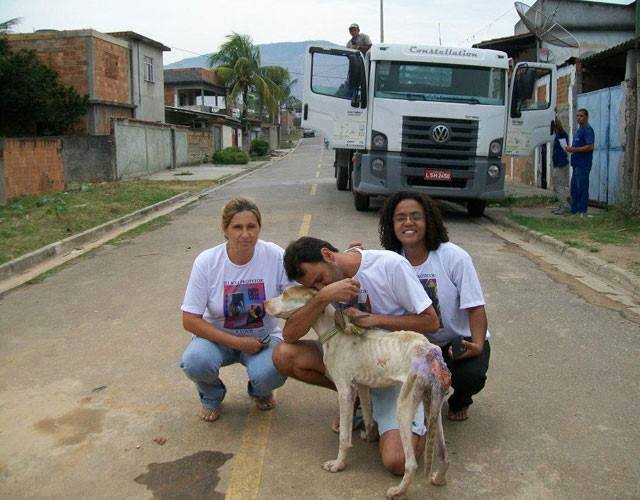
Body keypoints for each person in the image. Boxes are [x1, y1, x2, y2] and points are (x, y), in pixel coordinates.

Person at [273, 236, 440, 476]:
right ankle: (359, 402)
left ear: (328, 255)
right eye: (313, 286)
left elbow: (431, 322)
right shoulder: (322, 289)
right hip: (351, 361)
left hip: (392, 367)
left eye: (320, 279)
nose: (319, 286)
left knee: (396, 462)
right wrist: (322, 297)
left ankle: (420, 412)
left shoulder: (390, 265)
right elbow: (289, 335)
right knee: (284, 354)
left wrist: (375, 319)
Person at [378, 192, 490, 422]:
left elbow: (475, 306)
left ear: (429, 221)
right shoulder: (388, 261)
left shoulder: (454, 257)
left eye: (415, 216)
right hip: (414, 344)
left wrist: (478, 344)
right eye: (400, 218)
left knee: (471, 376)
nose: (408, 222)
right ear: (391, 224)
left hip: (456, 342)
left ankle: (460, 400)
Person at [180, 198, 291, 422]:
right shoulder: (207, 262)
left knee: (276, 368)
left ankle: (260, 391)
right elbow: (190, 319)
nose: (245, 234)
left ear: (259, 227)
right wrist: (239, 343)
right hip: (217, 339)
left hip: (262, 339)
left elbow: (294, 298)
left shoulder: (275, 256)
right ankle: (211, 395)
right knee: (195, 361)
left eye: (252, 226)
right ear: (225, 230)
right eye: (237, 227)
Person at [566, 108, 595, 216]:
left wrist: (574, 149)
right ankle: (575, 211)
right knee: (574, 189)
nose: (578, 118)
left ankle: (582, 211)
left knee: (582, 188)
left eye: (581, 116)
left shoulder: (588, 130)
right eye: (577, 116)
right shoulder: (579, 130)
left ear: (586, 117)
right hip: (576, 164)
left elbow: (590, 146)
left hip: (583, 164)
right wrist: (570, 148)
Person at [551, 118, 571, 215]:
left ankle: (565, 206)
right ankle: (562, 205)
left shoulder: (562, 135)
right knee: (557, 187)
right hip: (558, 164)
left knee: (559, 186)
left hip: (561, 164)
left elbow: (565, 149)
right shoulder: (558, 135)